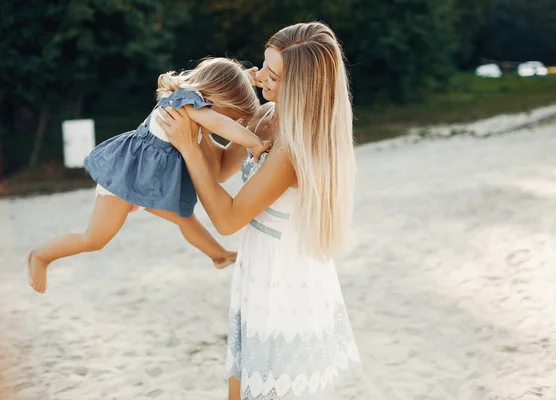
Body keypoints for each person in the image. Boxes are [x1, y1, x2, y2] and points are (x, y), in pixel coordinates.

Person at [158, 22, 361, 400]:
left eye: (273, 74)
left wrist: (187, 147)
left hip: (282, 276)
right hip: (258, 266)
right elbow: (219, 169)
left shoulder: (291, 147)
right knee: (239, 388)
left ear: (301, 87)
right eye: (264, 66)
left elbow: (227, 219)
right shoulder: (268, 114)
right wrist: (198, 121)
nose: (260, 76)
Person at [27, 57, 270, 294]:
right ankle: (40, 256)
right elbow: (219, 124)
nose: (229, 123)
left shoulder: (195, 92)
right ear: (214, 98)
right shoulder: (186, 101)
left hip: (153, 179)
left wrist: (243, 82)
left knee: (185, 218)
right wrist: (255, 143)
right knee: (95, 239)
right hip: (128, 175)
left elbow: (215, 86)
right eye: (229, 114)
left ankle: (220, 256)